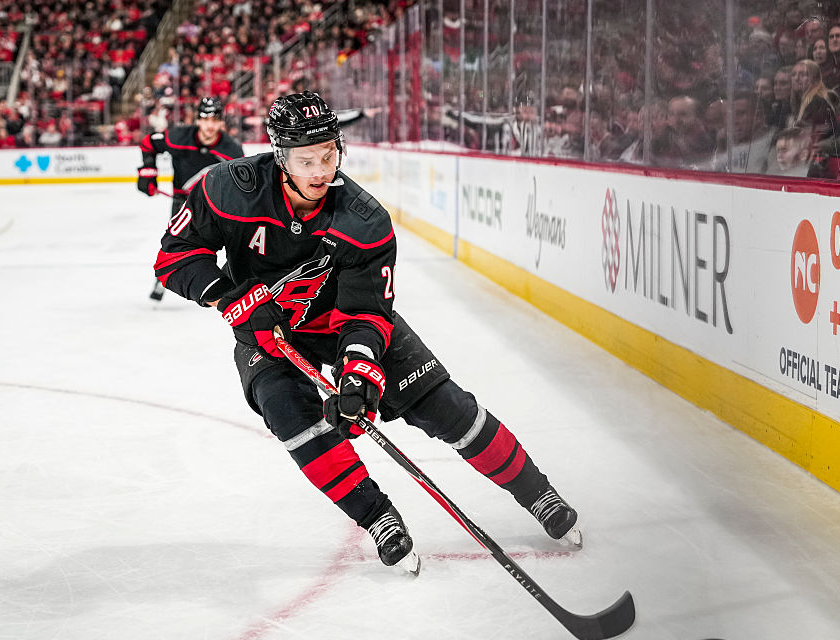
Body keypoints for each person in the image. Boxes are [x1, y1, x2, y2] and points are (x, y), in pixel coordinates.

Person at [152, 91, 581, 574]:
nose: (320, 171)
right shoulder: (228, 187)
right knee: (292, 419)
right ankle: (378, 517)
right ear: (279, 155)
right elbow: (174, 257)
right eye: (306, 159)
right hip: (269, 334)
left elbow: (367, 314)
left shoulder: (364, 219)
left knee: (446, 407)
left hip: (339, 325)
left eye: (329, 155)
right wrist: (231, 300)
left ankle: (537, 492)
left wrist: (359, 376)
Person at [138, 96, 244, 301]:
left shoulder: (232, 150)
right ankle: (164, 280)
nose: (210, 125)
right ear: (198, 120)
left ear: (221, 122)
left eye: (215, 120)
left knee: (232, 243)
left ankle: (231, 283)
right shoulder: (179, 136)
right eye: (206, 119)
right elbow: (148, 142)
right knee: (176, 244)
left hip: (215, 205)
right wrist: (148, 172)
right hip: (183, 203)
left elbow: (239, 182)